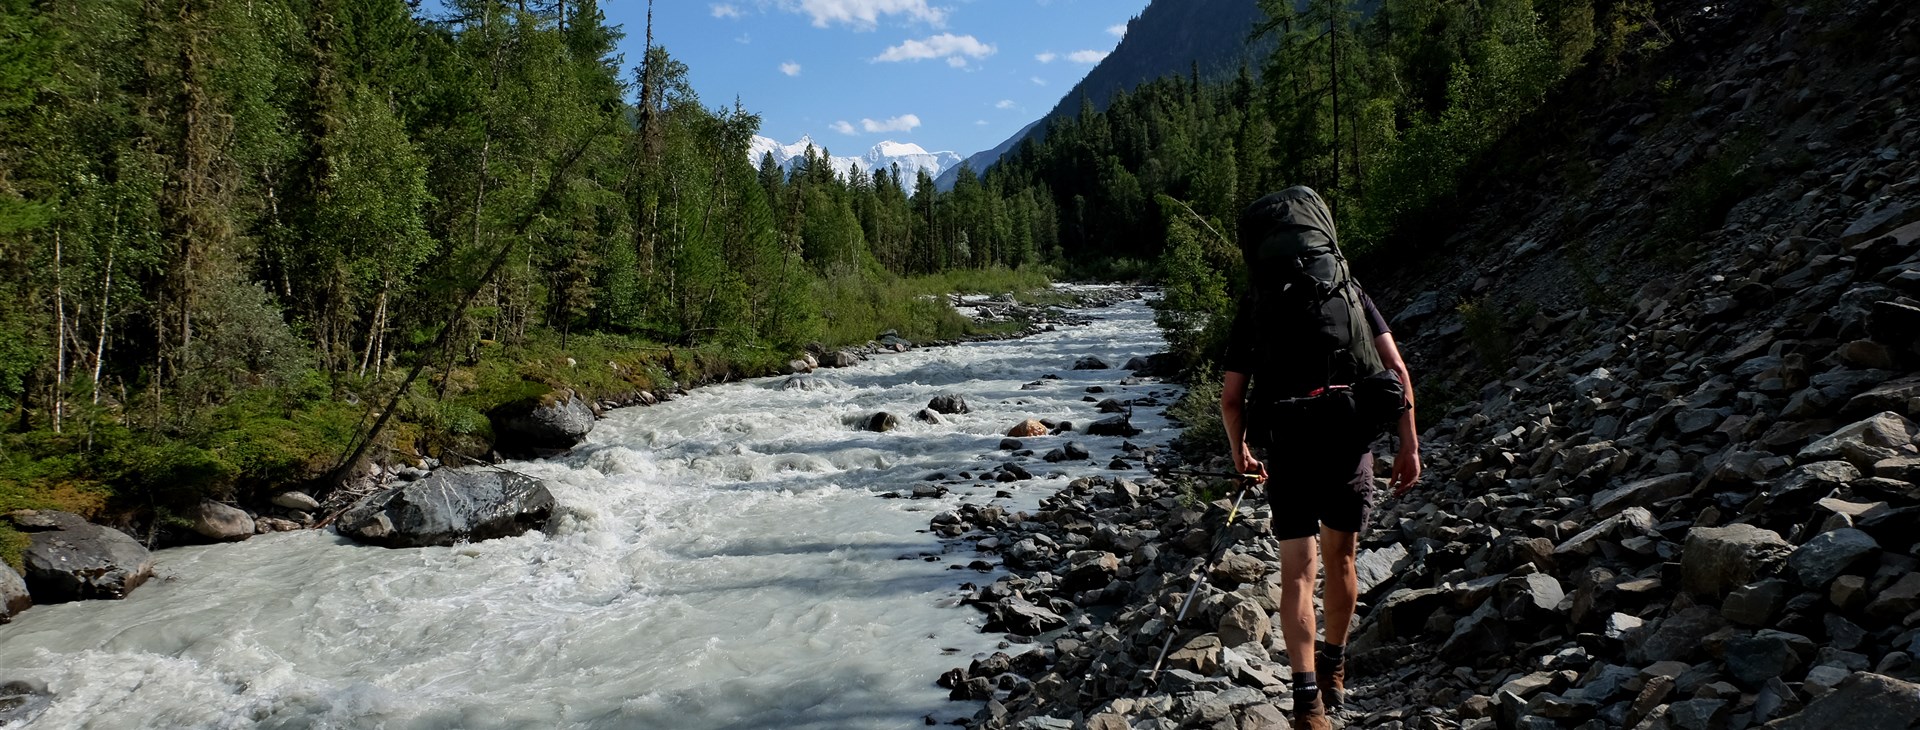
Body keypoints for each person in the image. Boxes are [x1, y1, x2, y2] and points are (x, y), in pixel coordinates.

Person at [1218, 187, 1421, 730]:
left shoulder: (1258, 300)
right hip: (1349, 441)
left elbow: (1232, 398)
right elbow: (1396, 371)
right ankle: (1334, 664)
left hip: (1288, 448)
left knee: (1297, 576)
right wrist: (1409, 443)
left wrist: (1239, 449)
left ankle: (1306, 703)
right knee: (1343, 561)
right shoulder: (1347, 288)